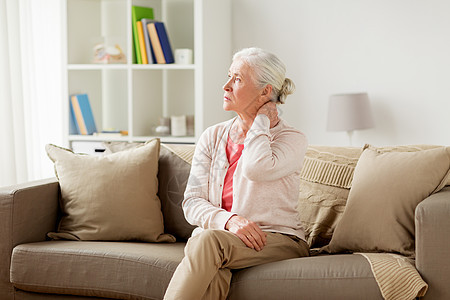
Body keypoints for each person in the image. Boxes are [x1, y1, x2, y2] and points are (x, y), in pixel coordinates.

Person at [163, 47, 309, 300]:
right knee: (211, 266)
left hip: (280, 239)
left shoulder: (291, 139)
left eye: (238, 79)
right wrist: (228, 221)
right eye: (229, 76)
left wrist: (261, 121)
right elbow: (192, 202)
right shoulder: (213, 136)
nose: (226, 85)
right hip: (225, 238)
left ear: (265, 92)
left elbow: (256, 168)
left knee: (207, 242)